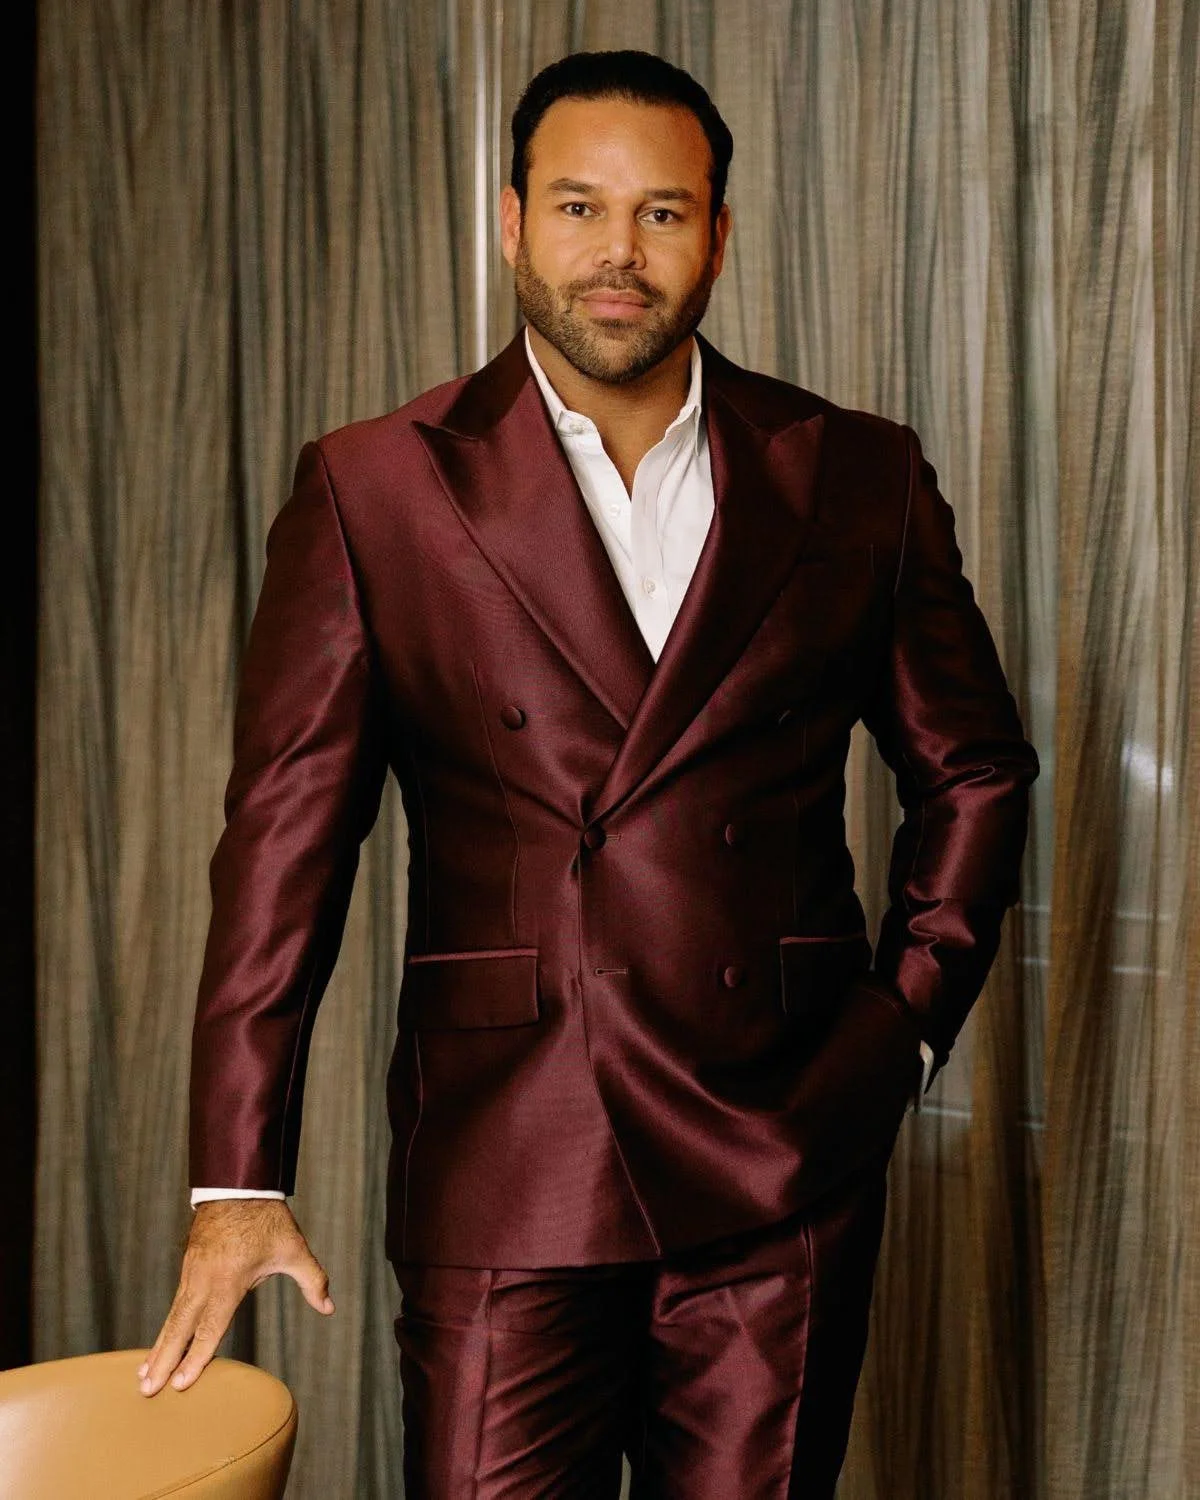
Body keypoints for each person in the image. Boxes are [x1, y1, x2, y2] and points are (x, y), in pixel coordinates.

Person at [140, 49, 1038, 1498]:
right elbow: (284, 845)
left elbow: (978, 769)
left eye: (663, 213)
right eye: (577, 206)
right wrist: (239, 1179)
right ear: (510, 224)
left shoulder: (856, 474)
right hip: (508, 1151)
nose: (618, 253)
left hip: (783, 1142)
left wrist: (901, 1035)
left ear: (721, 235)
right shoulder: (377, 486)